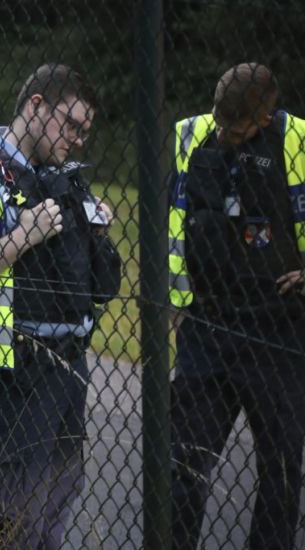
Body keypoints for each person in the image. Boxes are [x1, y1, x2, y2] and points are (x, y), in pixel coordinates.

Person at [0, 63, 121, 549]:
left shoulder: (68, 182)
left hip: (68, 366)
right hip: (2, 371)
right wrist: (21, 238)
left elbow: (101, 286)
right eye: (71, 125)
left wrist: (99, 238)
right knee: (15, 521)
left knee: (51, 511)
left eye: (85, 131)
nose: (77, 140)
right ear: (36, 106)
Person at [168, 62, 305, 550]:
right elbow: (172, 219)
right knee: (181, 463)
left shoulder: (298, 143)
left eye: (236, 128)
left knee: (282, 471)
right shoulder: (191, 135)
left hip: (279, 330)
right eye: (219, 121)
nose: (223, 134)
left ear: (264, 120)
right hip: (207, 323)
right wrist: (175, 301)